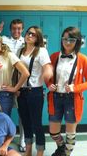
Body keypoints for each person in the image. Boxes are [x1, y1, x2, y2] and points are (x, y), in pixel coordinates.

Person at [47, 27, 87, 156]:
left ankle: (66, 154)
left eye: (71, 40)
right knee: (53, 131)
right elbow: (48, 77)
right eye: (65, 39)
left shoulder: (83, 59)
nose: (67, 42)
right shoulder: (55, 56)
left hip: (72, 100)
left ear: (77, 41)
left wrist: (75, 88)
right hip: (55, 98)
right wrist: (50, 84)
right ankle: (62, 148)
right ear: (61, 40)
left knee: (70, 133)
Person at [16, 26, 53, 156]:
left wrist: (47, 74)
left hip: (35, 92)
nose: (29, 36)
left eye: (33, 34)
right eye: (28, 33)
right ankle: (28, 150)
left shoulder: (41, 51)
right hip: (22, 92)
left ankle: (40, 152)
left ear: (38, 38)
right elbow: (17, 70)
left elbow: (47, 67)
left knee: (36, 123)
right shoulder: (20, 51)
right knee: (25, 122)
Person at [0, 19, 26, 152]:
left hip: (20, 84)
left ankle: (23, 140)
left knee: (22, 114)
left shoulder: (26, 42)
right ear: (10, 29)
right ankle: (1, 140)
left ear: (22, 29)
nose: (16, 31)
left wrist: (18, 87)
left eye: (19, 28)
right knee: (2, 114)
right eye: (14, 28)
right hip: (5, 83)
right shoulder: (3, 40)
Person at [0, 32, 29, 116]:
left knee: (3, 121)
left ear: (1, 42)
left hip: (5, 95)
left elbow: (25, 73)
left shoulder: (9, 55)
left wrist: (15, 88)